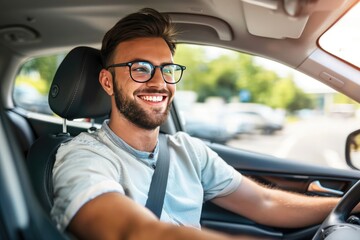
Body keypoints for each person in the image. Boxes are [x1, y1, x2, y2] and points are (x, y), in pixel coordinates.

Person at [51, 8, 357, 240]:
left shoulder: (188, 150)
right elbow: (130, 229)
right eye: (140, 69)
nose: (159, 82)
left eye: (167, 70)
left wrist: (350, 205)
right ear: (107, 81)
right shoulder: (84, 156)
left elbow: (264, 202)